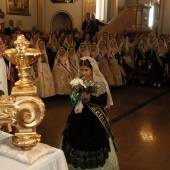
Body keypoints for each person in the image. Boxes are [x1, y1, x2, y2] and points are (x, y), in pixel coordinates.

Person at [59, 56, 120, 170]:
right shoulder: (77, 81)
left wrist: (89, 97)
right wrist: (75, 96)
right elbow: (73, 101)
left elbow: (103, 102)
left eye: (86, 70)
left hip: (94, 119)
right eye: (81, 70)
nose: (83, 72)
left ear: (92, 69)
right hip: (79, 116)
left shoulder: (100, 82)